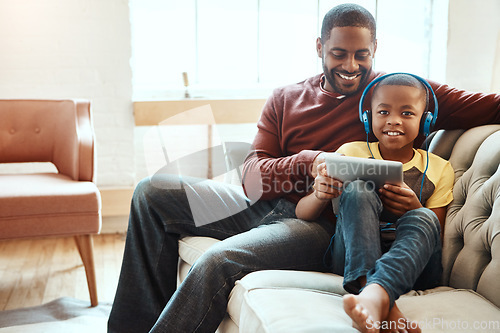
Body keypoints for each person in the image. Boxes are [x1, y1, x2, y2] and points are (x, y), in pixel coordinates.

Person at [108, 4, 500, 333]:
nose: (350, 65)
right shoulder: (285, 97)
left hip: (317, 223)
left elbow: (489, 104)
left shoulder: (393, 95)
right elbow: (251, 176)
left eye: (361, 54)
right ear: (320, 48)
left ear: (374, 49)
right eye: (338, 54)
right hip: (267, 204)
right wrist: (311, 161)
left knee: (219, 261)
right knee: (152, 192)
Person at [296, 73, 454, 333]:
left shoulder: (439, 168)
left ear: (425, 122)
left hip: (413, 266)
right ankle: (380, 299)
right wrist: (319, 194)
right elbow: (303, 213)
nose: (393, 120)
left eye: (407, 113)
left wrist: (415, 208)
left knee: (424, 217)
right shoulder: (349, 152)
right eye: (383, 112)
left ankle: (374, 296)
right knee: (358, 189)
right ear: (368, 118)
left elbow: (436, 230)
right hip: (352, 260)